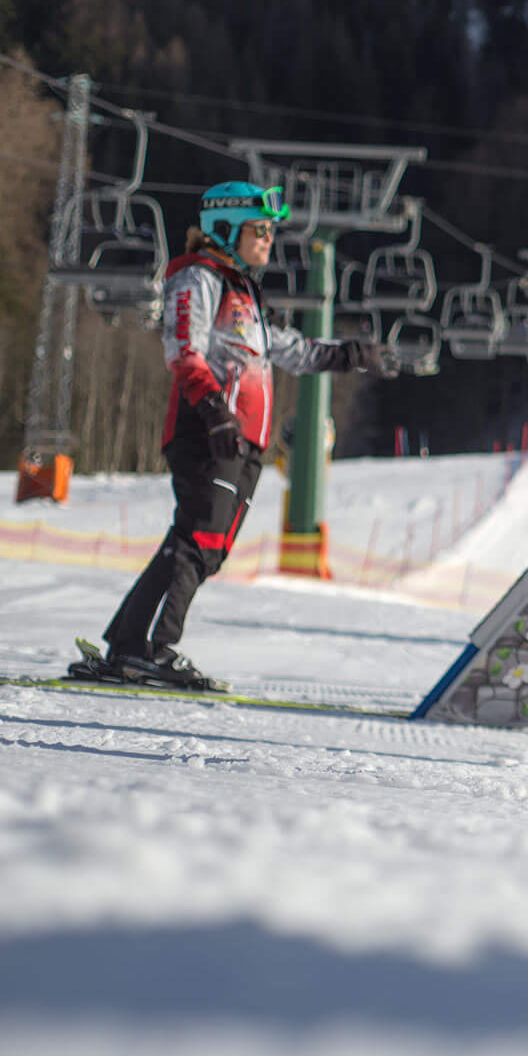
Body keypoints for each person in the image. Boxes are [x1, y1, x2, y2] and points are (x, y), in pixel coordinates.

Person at [85, 181, 391, 690]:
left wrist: (351, 354)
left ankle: (128, 645)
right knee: (199, 539)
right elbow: (183, 349)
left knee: (203, 546)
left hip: (244, 440)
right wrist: (214, 413)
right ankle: (158, 650)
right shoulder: (197, 279)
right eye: (261, 230)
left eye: (271, 231)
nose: (269, 240)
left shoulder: (242, 289)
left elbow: (286, 349)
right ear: (225, 228)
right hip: (208, 430)